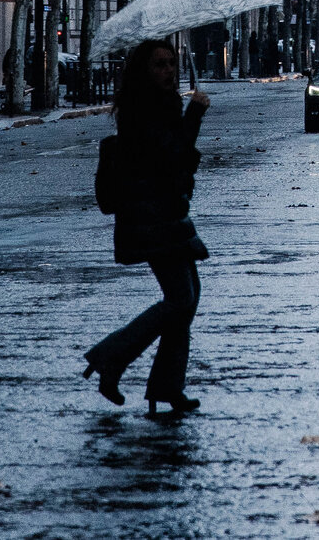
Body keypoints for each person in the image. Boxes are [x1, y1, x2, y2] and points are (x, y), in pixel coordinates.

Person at [84, 38, 210, 417]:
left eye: (171, 63)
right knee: (179, 299)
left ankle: (166, 387)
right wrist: (195, 114)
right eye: (159, 65)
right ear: (143, 71)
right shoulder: (142, 108)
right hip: (151, 216)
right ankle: (111, 357)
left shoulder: (161, 103)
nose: (168, 71)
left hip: (167, 213)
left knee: (187, 300)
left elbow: (179, 162)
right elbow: (171, 157)